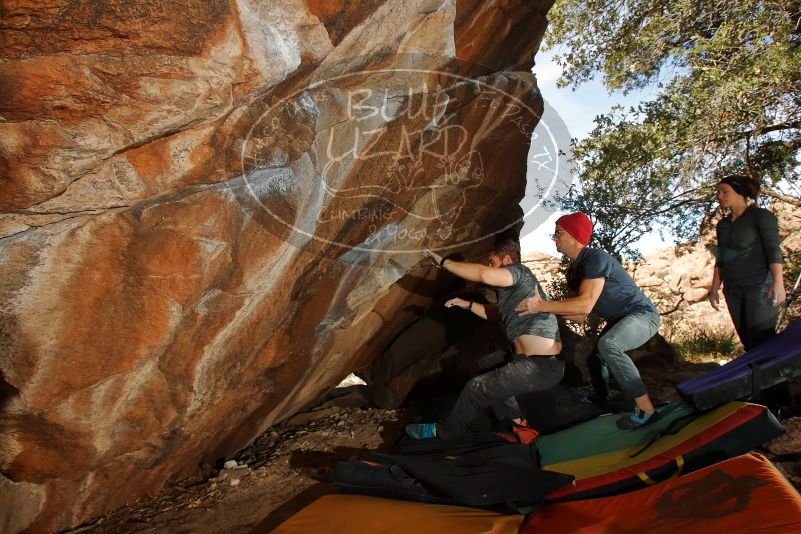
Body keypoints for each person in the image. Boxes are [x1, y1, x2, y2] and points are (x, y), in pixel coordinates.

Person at [405, 240, 564, 441]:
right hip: (525, 361)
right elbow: (495, 313)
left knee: (476, 387)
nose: (489, 267)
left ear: (507, 260)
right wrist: (465, 304)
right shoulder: (513, 294)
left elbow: (482, 274)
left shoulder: (518, 271)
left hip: (541, 366)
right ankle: (518, 423)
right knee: (487, 363)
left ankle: (445, 431)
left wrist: (444, 262)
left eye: (492, 262)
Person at [515, 212, 661, 429]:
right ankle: (601, 399)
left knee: (609, 345)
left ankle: (646, 408)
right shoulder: (574, 272)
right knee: (595, 359)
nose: (555, 238)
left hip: (642, 315)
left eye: (559, 233)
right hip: (618, 319)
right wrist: (542, 310)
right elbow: (580, 316)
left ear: (574, 235)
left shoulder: (595, 258)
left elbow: (584, 304)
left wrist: (541, 305)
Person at [709, 174, 785, 350]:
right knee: (748, 342)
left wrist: (778, 282)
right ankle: (756, 377)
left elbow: (773, 250)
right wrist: (714, 289)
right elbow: (721, 258)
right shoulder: (723, 224)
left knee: (763, 340)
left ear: (740, 192)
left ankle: (776, 378)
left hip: (759, 286)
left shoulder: (761, 216)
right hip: (732, 289)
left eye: (724, 191)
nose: (719, 196)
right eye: (718, 192)